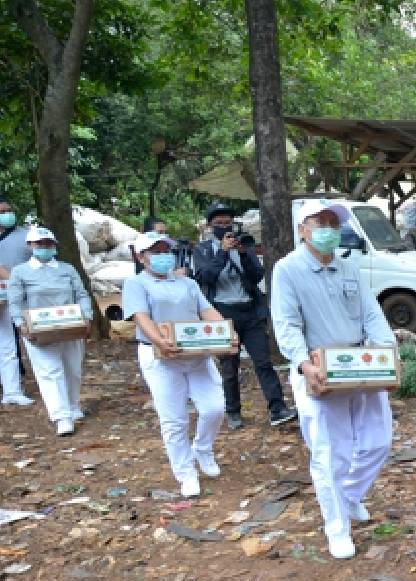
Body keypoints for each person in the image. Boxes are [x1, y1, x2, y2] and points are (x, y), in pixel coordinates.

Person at [271, 200, 396, 559]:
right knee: (331, 454)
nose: (327, 228)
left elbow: (372, 314)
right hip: (319, 369)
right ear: (302, 229)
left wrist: (387, 351)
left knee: (378, 441)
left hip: (360, 365)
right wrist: (301, 363)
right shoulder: (288, 270)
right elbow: (287, 322)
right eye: (319, 222)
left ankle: (349, 495)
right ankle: (337, 528)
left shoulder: (349, 267)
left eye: (332, 222)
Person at [122, 232, 231, 498]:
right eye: (154, 251)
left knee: (215, 408)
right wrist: (159, 340)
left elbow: (206, 311)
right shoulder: (136, 284)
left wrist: (226, 331)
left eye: (164, 249)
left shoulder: (187, 283)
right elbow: (140, 316)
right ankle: (185, 472)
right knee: (174, 419)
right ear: (141, 256)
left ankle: (202, 448)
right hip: (160, 357)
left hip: (197, 354)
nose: (161, 255)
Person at [193, 203, 295, 430]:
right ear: (210, 226)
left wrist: (243, 254)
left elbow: (258, 274)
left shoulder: (244, 245)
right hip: (221, 313)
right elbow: (205, 277)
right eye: (218, 223)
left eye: (228, 222)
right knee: (229, 366)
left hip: (249, 310)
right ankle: (233, 410)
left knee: (263, 362)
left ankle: (277, 408)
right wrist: (222, 251)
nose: (224, 227)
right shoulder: (203, 250)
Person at [7, 226, 90, 435]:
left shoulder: (67, 269)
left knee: (73, 369)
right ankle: (61, 416)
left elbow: (81, 294)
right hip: (38, 329)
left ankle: (72, 405)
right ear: (31, 246)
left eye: (48, 243)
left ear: (54, 246)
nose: (44, 247)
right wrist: (21, 324)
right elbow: (15, 301)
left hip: (71, 326)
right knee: (50, 371)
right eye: (39, 244)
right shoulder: (20, 272)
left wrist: (87, 316)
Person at [0, 197, 35, 406]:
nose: (7, 213)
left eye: (9, 209)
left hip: (16, 297)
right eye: (2, 210)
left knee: (10, 344)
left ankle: (12, 390)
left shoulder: (25, 236)